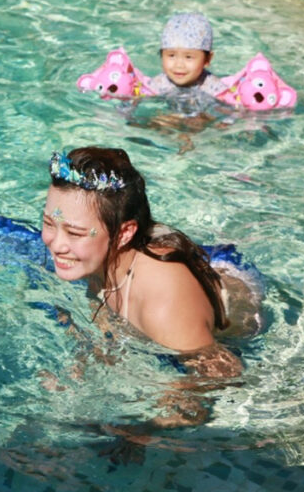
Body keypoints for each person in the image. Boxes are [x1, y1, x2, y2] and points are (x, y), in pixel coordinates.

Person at [41, 147, 248, 379]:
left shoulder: (162, 304)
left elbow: (224, 372)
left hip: (233, 296)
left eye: (74, 233)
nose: (56, 245)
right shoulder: (92, 251)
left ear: (123, 234)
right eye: (49, 223)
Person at [146, 12, 228, 115]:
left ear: (207, 59)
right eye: (171, 55)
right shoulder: (157, 84)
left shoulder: (215, 88)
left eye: (188, 57)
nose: (179, 65)